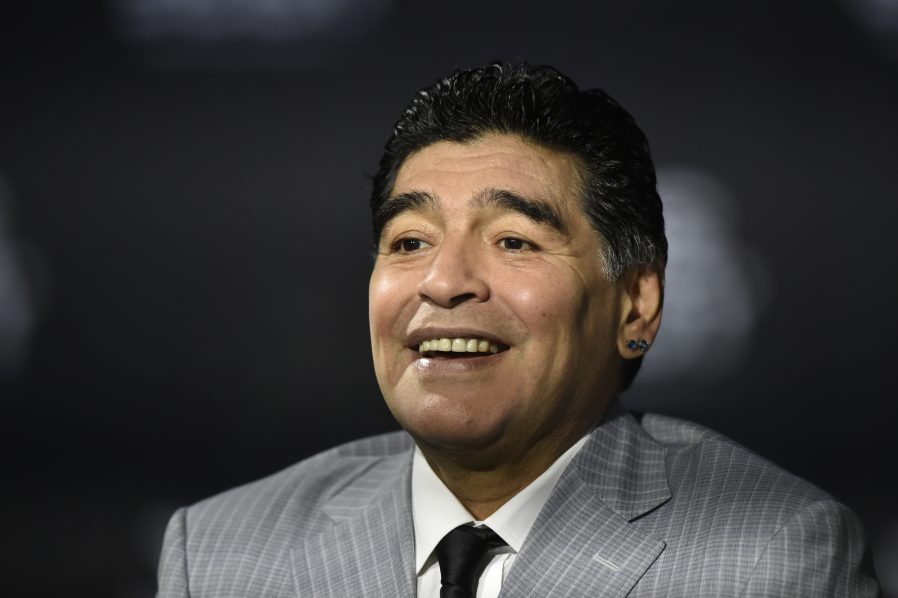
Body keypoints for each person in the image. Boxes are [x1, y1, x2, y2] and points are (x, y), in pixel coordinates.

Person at [156, 60, 879, 597]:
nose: (444, 282)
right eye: (410, 241)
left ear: (636, 305)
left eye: (513, 240)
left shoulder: (769, 558)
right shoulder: (218, 553)